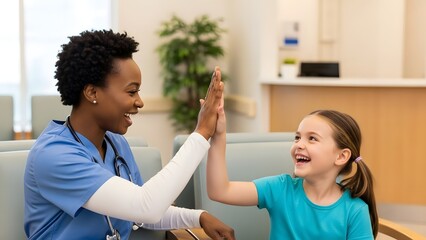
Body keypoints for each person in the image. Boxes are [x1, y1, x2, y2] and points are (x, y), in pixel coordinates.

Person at [24, 29, 235, 240]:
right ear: (92, 93)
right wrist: (202, 132)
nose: (140, 102)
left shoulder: (116, 144)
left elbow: (138, 212)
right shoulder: (53, 156)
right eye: (131, 92)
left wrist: (198, 217)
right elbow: (146, 206)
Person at [207, 108, 378, 239]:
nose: (299, 144)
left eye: (312, 138)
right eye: (297, 137)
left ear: (341, 156)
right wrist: (219, 135)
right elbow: (220, 190)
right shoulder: (280, 189)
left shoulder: (355, 210)